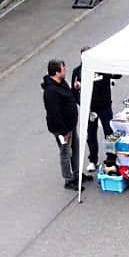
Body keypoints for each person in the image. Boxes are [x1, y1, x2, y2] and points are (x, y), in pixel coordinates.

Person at [71, 52, 119, 172]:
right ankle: (93, 160)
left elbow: (117, 75)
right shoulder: (77, 72)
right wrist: (83, 105)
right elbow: (74, 92)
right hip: (89, 109)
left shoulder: (102, 67)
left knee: (109, 132)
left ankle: (111, 158)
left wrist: (112, 66)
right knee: (91, 135)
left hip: (104, 106)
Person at [42, 58, 85, 189]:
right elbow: (54, 113)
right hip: (63, 129)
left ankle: (77, 174)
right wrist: (64, 132)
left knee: (76, 149)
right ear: (56, 72)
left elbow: (68, 97)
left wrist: (75, 88)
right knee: (66, 153)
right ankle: (68, 179)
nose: (65, 70)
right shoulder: (51, 91)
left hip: (71, 125)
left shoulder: (62, 83)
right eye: (63, 68)